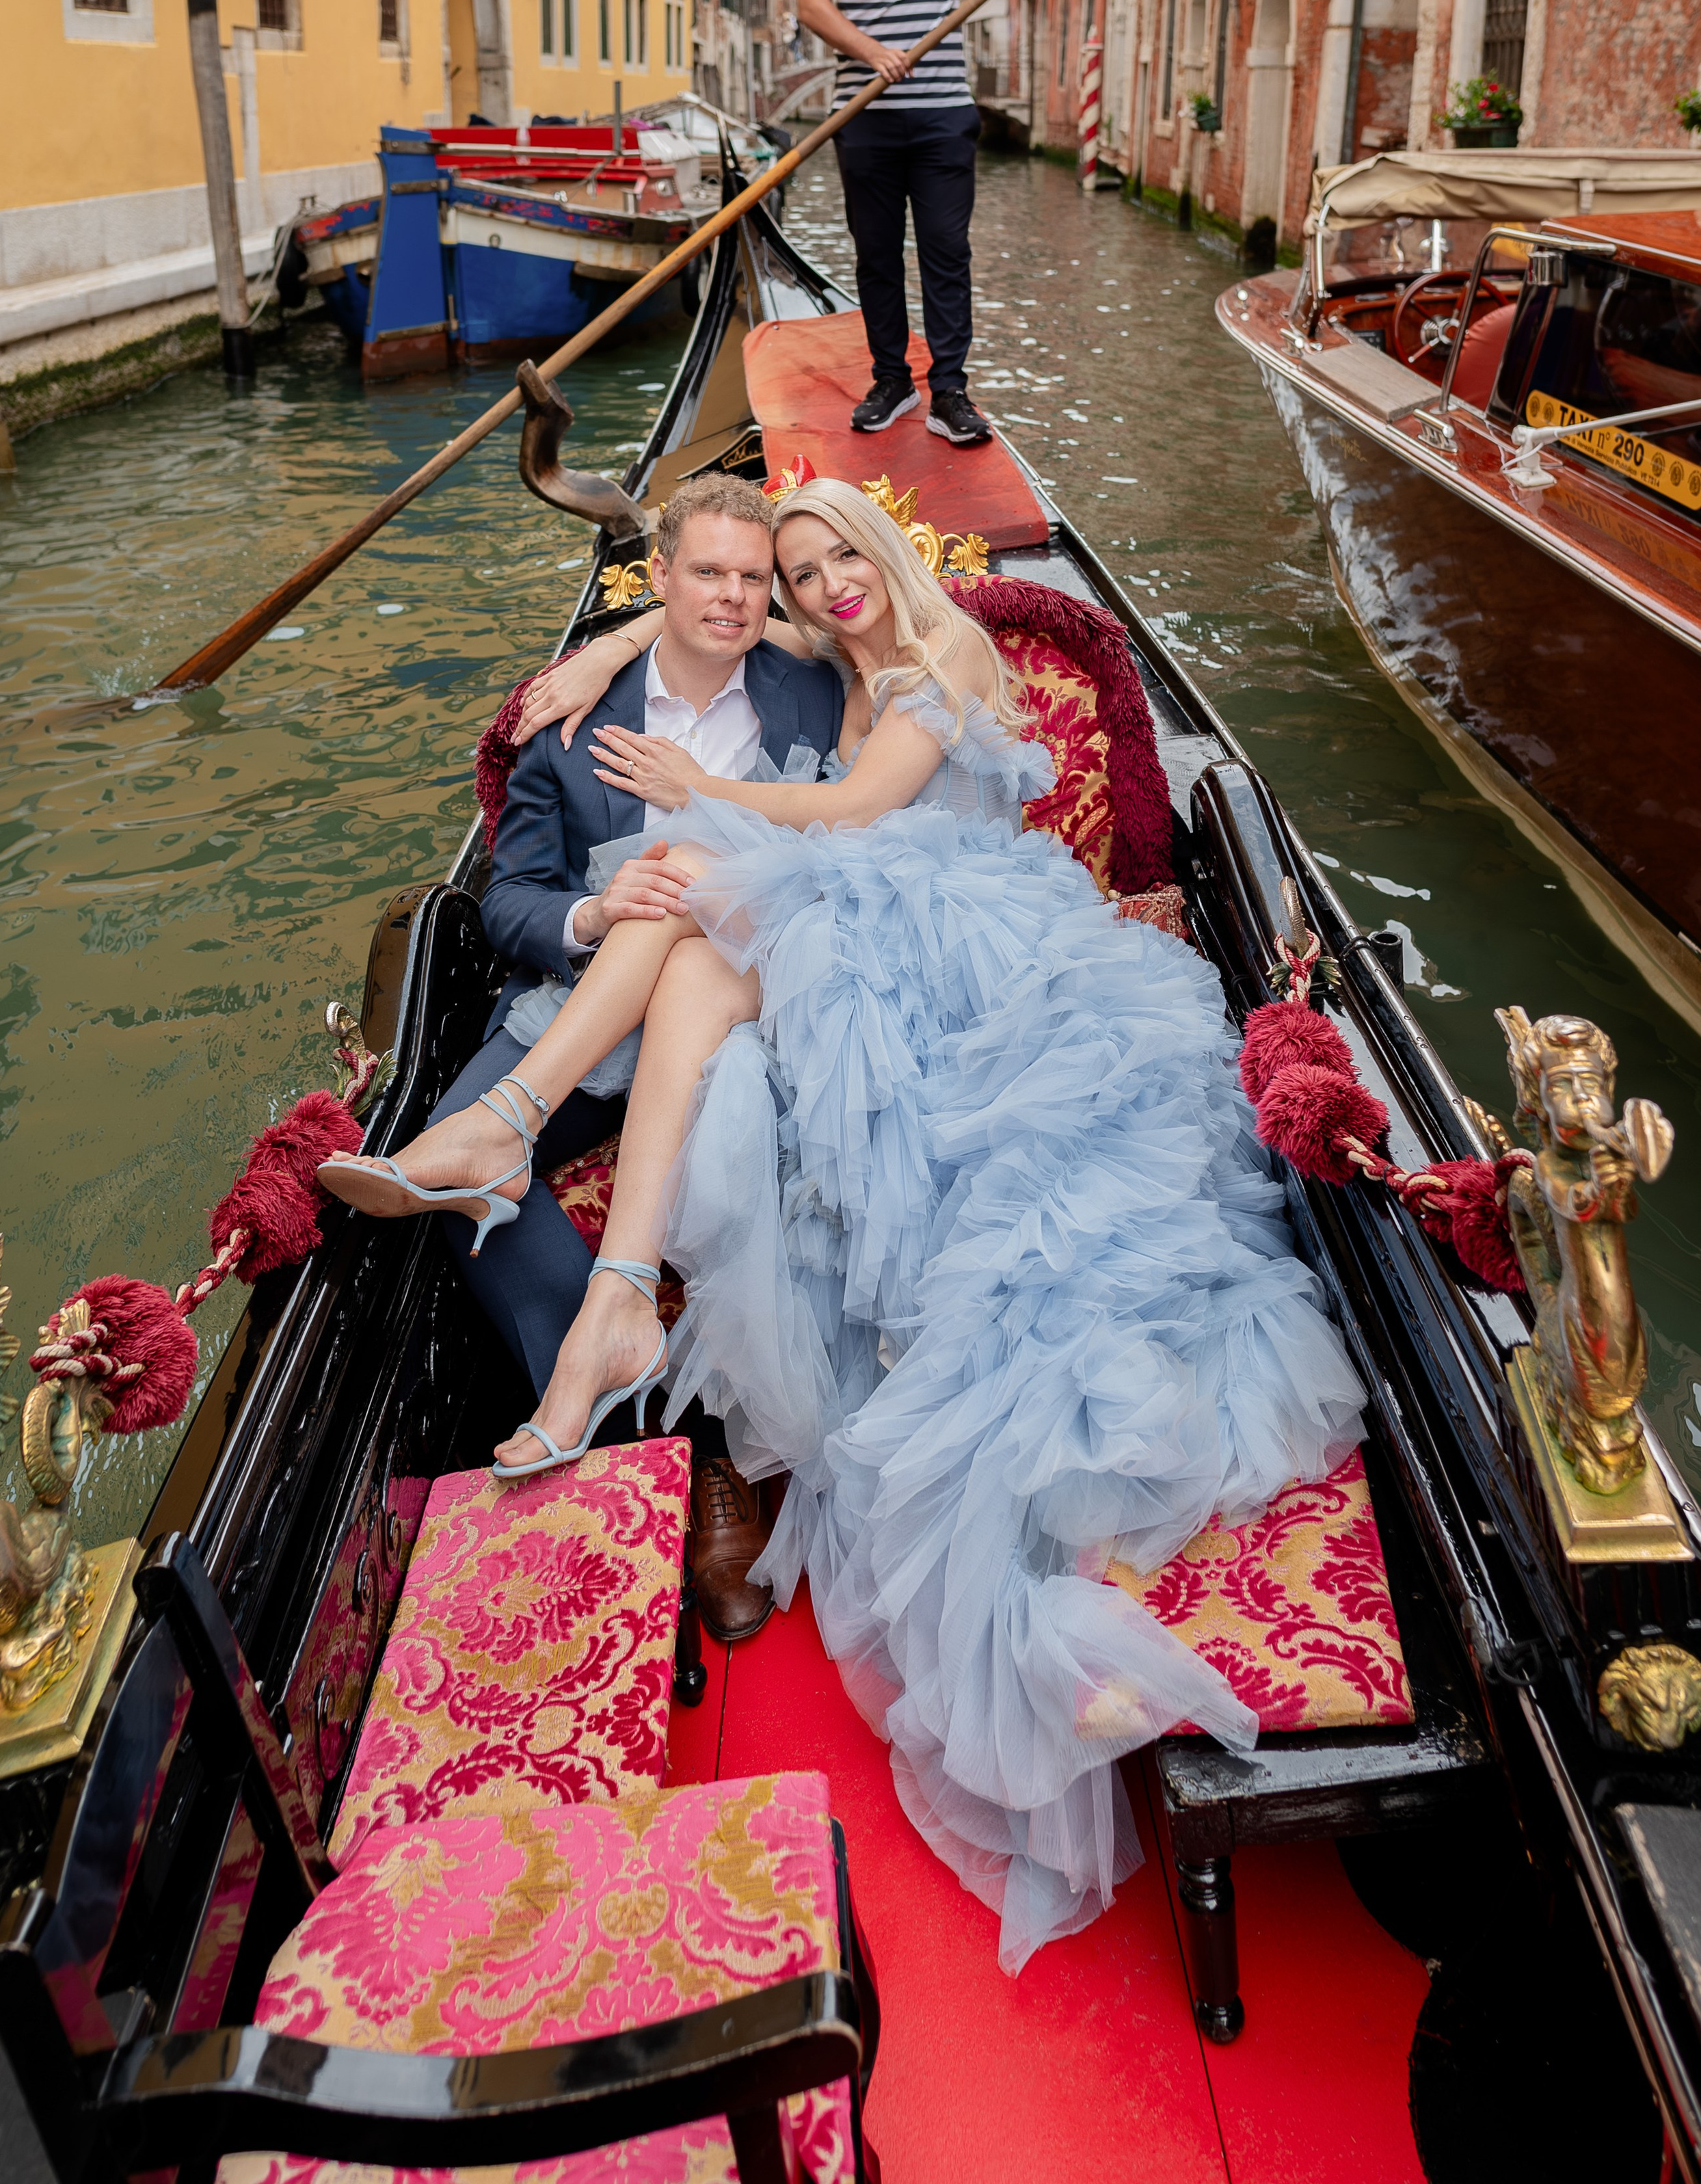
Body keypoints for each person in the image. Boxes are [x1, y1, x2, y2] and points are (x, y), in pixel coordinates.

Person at [321, 479, 1365, 1973]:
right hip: (760, 932)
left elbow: (854, 801)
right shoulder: (751, 665)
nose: (803, 588)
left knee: (694, 902)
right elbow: (579, 806)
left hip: (939, 927)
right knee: (685, 924)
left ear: (874, 554)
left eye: (814, 563)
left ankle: (568, 1216)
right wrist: (605, 650)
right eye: (785, 571)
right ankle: (589, 1257)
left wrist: (696, 792)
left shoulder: (920, 656)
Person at [322, 472, 842, 1644]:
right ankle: (645, 1426)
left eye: (751, 578)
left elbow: (889, 644)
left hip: (743, 1009)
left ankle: (718, 1462)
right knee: (445, 1186)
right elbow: (510, 898)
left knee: (749, 1160)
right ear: (658, 576)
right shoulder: (567, 720)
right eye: (705, 573)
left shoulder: (811, 684)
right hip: (583, 1007)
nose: (731, 597)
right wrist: (594, 914)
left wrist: (622, 633)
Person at [796, 0, 1062, 449]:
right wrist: (873, 52)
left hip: (944, 114)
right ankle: (893, 381)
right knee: (877, 256)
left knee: (947, 251)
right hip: (864, 117)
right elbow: (813, 5)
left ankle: (949, 392)